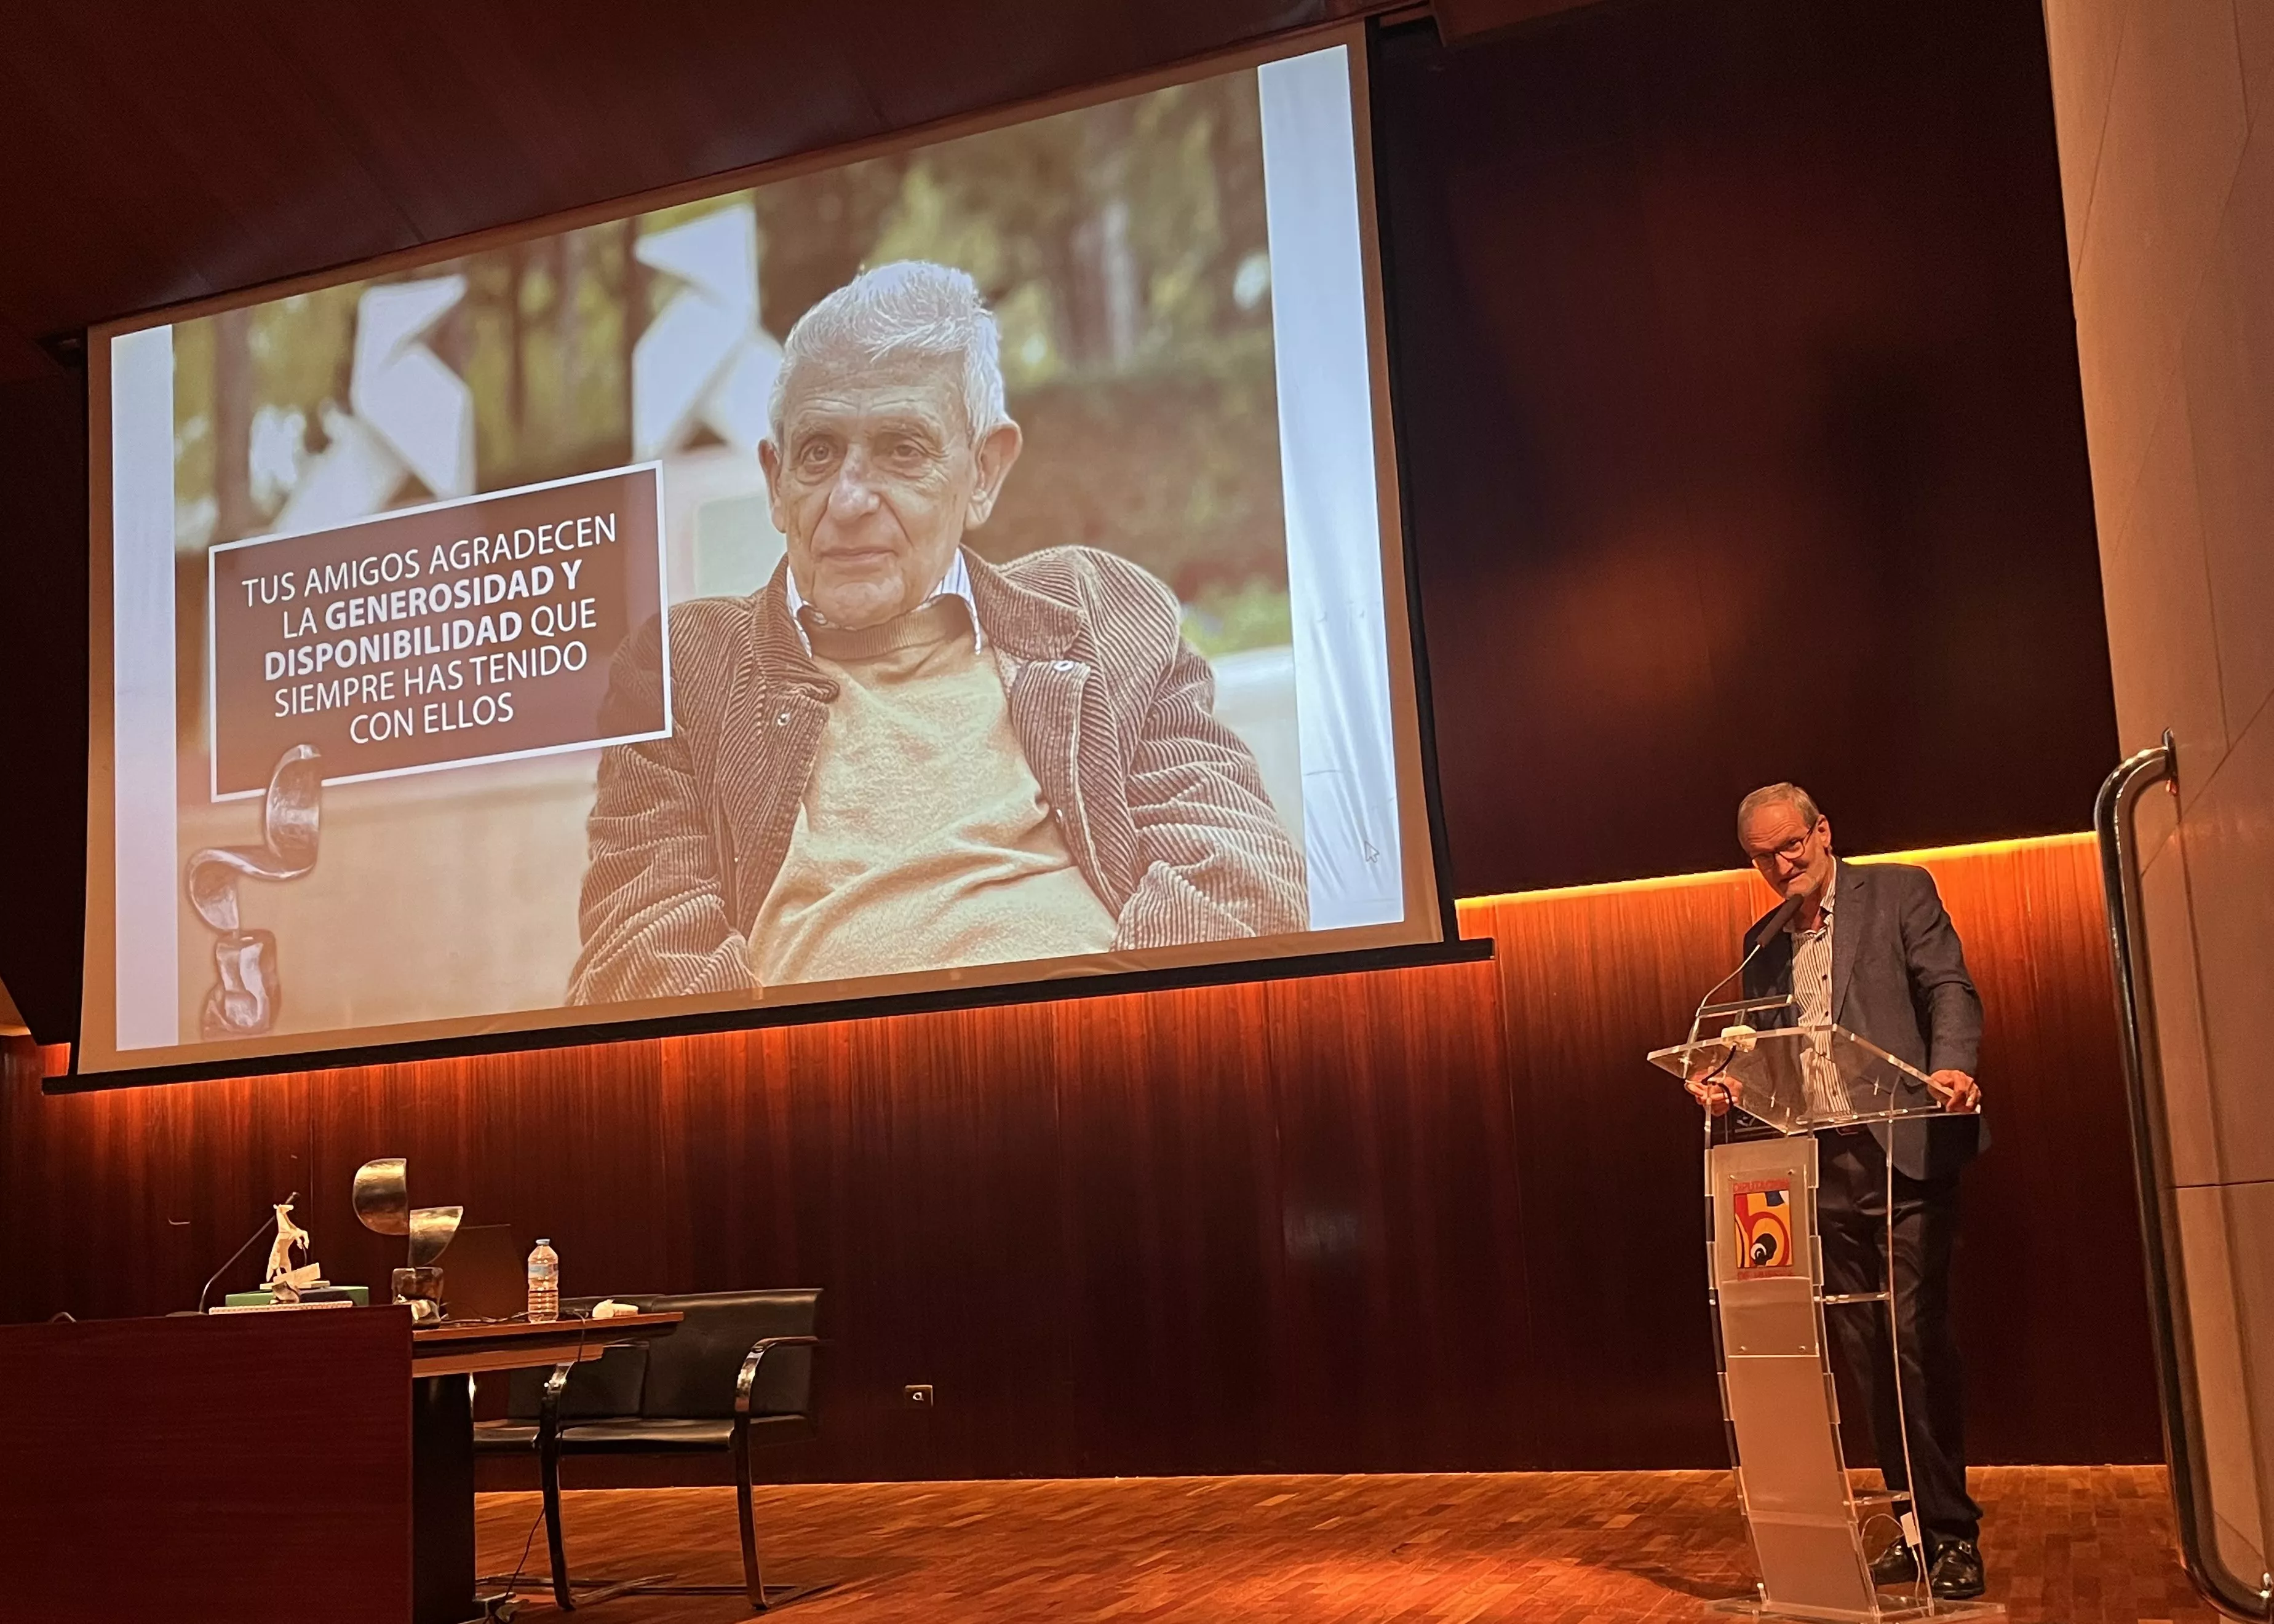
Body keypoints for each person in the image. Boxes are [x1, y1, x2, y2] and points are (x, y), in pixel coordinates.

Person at [568, 260, 1305, 1004]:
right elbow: (639, 953)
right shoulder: (687, 666)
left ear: (983, 471)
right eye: (819, 453)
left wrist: (1095, 1045)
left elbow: (1243, 878)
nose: (850, 499)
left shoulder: (1097, 612)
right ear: (775, 480)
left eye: (902, 449)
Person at [1686, 782, 1988, 1601]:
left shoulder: (1897, 891)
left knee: (1913, 1340)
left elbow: (1948, 988)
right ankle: (1910, 1526)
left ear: (1823, 831)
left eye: (1791, 846)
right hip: (1818, 1167)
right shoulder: (1765, 939)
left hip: (1905, 1150)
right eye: (1762, 856)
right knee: (1864, 1355)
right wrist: (1727, 1085)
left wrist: (1954, 1065)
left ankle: (1954, 1532)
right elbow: (1760, 1051)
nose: (1781, 865)